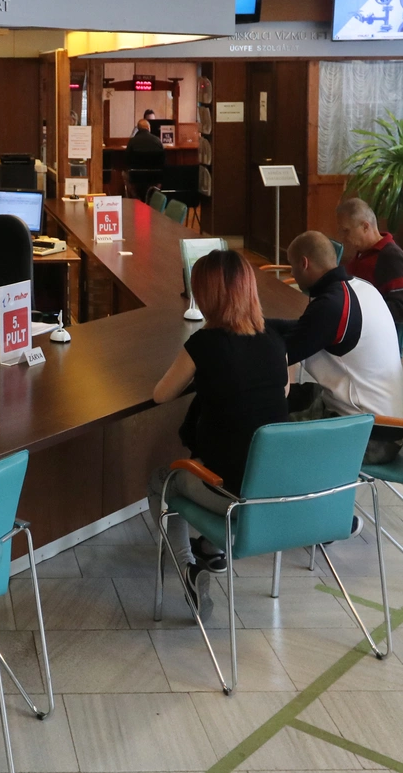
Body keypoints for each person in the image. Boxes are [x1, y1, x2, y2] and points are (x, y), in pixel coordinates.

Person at [149, 250, 290, 617]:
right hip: (277, 491)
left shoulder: (204, 344)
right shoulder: (275, 339)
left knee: (164, 479)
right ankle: (212, 548)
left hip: (232, 494)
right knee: (223, 452)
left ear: (205, 295)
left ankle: (187, 567)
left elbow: (161, 394)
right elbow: (283, 391)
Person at [268, 231, 403, 466]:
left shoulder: (333, 305)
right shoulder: (359, 288)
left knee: (264, 427)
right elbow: (304, 328)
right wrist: (258, 323)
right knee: (282, 401)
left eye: (292, 266)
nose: (291, 273)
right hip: (385, 423)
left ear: (304, 263)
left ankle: (281, 487)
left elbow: (281, 354)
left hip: (369, 436)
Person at [337, 198, 403, 325]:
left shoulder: (390, 257)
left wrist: (358, 308)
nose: (343, 238)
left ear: (365, 227)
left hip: (369, 329)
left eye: (346, 231)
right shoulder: (363, 250)